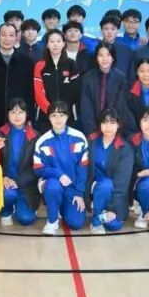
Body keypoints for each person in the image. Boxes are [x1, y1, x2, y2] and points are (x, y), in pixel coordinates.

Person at [32, 100, 90, 235]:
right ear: (49, 118)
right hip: (53, 185)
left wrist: (79, 193)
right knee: (52, 186)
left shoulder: (79, 138)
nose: (58, 119)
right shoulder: (42, 141)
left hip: (72, 189)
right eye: (54, 115)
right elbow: (38, 168)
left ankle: (62, 208)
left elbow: (83, 169)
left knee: (76, 223)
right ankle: (52, 221)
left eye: (61, 115)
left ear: (67, 117)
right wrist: (58, 174)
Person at [87, 108, 134, 234]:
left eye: (112, 123)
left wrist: (112, 208)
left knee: (114, 225)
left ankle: (102, 212)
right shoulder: (90, 141)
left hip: (114, 193)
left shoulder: (125, 149)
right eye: (105, 122)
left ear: (118, 125)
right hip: (93, 188)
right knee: (105, 184)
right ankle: (96, 221)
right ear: (100, 124)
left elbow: (122, 183)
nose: (108, 127)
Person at [0, 99, 40, 228]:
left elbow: (37, 168)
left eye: (21, 112)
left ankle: (22, 206)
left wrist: (18, 182)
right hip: (6, 183)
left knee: (26, 220)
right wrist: (2, 177)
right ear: (8, 114)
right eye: (13, 112)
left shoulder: (35, 136)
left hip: (26, 184)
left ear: (26, 114)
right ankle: (6, 212)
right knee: (8, 194)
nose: (17, 116)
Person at [33, 29, 80, 130]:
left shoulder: (71, 64)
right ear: (47, 44)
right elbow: (38, 93)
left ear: (63, 44)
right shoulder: (40, 66)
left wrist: (62, 112)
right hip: (45, 117)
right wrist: (51, 111)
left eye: (58, 41)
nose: (55, 44)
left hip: (67, 116)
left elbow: (75, 91)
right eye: (52, 41)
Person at [79, 43, 129, 136]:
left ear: (113, 58)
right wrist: (91, 131)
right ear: (96, 58)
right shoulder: (88, 77)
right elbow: (86, 108)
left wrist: (113, 127)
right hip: (92, 130)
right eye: (101, 55)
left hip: (114, 129)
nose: (104, 59)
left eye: (108, 55)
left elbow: (121, 107)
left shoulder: (121, 78)